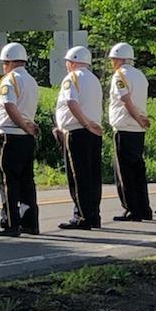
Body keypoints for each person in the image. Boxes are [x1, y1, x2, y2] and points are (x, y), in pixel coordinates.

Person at [0, 42, 40, 237]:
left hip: (11, 134)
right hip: (26, 138)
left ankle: (10, 223)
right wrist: (28, 126)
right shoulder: (31, 81)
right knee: (27, 182)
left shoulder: (10, 79)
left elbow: (10, 106)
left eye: (4, 63)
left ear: (10, 62)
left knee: (9, 181)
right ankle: (30, 223)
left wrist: (23, 124)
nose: (4, 66)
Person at [53, 45, 103, 230]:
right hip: (93, 132)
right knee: (92, 175)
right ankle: (93, 214)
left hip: (78, 130)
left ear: (73, 62)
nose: (67, 65)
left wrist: (85, 122)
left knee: (78, 176)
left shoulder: (72, 77)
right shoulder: (94, 79)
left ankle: (82, 216)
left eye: (68, 62)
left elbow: (71, 102)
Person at [107, 42, 153, 222]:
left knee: (125, 172)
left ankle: (131, 208)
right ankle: (144, 207)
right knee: (138, 170)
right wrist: (141, 119)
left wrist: (137, 118)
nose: (112, 63)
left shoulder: (120, 75)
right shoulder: (140, 75)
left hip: (126, 125)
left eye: (113, 59)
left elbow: (125, 100)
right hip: (137, 129)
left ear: (119, 59)